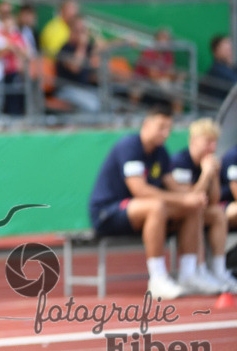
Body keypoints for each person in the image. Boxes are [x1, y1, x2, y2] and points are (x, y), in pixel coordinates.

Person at [88, 105, 217, 299]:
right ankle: (157, 278)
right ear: (146, 124)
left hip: (139, 211)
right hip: (108, 211)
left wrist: (202, 183)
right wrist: (183, 198)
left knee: (191, 208)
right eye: (161, 127)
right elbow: (139, 190)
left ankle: (189, 274)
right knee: (156, 206)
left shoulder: (161, 153)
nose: (165, 133)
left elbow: (175, 187)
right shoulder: (129, 146)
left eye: (169, 129)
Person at [168, 118, 237, 292]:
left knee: (217, 213)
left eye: (214, 143)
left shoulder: (209, 163)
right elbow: (189, 198)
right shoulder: (180, 161)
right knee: (195, 209)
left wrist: (212, 176)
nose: (212, 148)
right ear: (193, 141)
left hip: (198, 210)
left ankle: (219, 270)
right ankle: (193, 271)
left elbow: (213, 200)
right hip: (176, 213)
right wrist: (205, 175)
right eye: (208, 142)